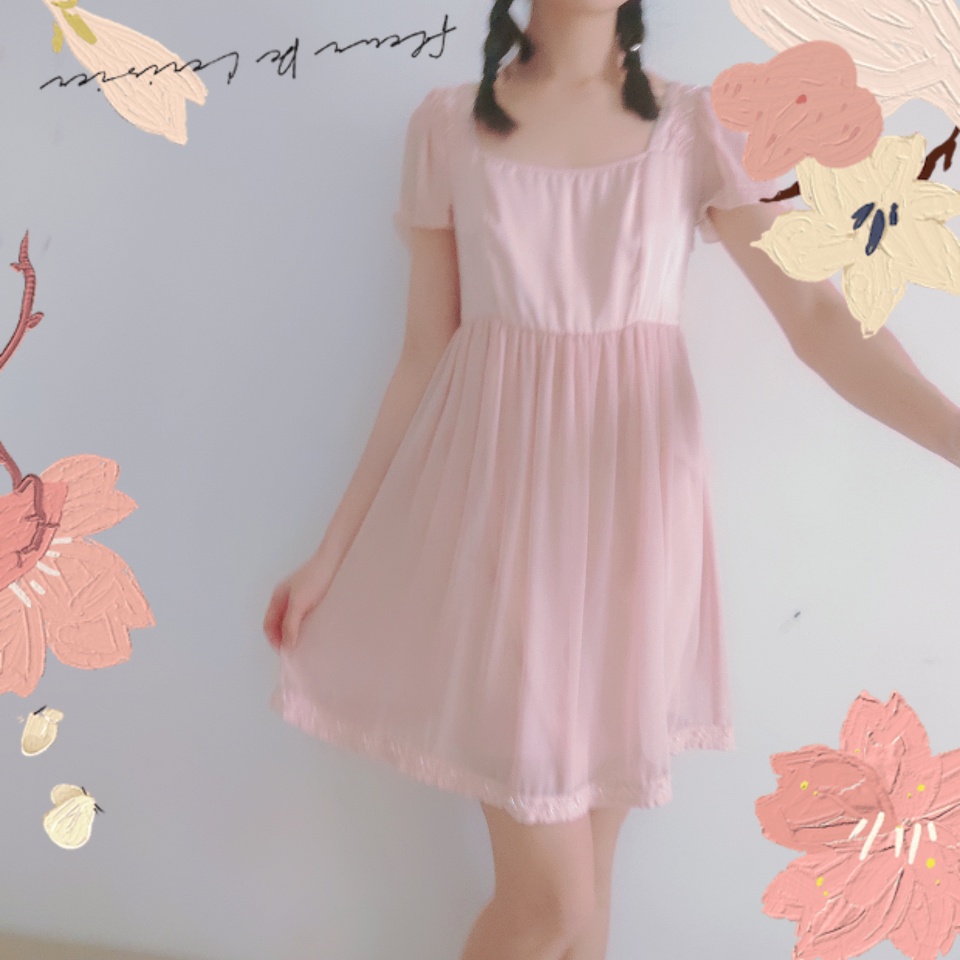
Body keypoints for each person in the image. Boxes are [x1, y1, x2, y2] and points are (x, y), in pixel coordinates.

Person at [263, 2, 960, 958]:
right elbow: (424, 354)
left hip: (637, 523)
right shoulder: (447, 125)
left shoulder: (694, 126)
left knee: (588, 904)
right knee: (551, 903)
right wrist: (332, 553)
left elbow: (816, 320)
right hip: (499, 518)